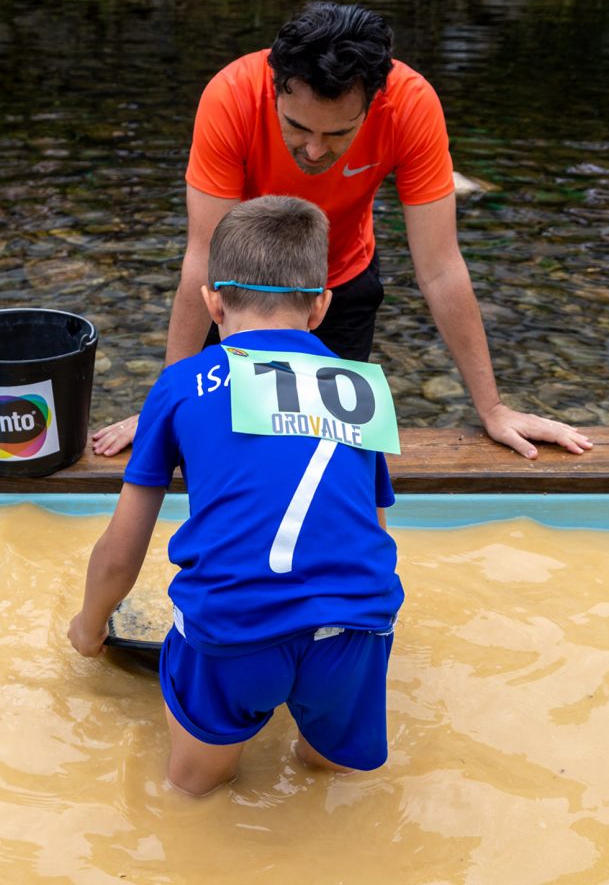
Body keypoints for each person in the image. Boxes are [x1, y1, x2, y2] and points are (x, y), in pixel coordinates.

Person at [93, 1, 592, 461]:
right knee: (214, 446)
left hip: (339, 286)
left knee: (324, 455)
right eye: (297, 127)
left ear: (375, 100)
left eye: (337, 133)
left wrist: (493, 409)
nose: (313, 151)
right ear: (275, 86)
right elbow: (203, 258)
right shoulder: (231, 95)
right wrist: (161, 405)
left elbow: (440, 269)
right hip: (239, 287)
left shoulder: (412, 105)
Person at [69, 196, 404, 797]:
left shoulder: (180, 384)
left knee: (195, 790)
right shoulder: (363, 387)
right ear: (323, 304)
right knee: (330, 780)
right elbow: (373, 531)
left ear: (211, 301)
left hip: (231, 626)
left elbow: (122, 551)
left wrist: (88, 626)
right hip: (355, 625)